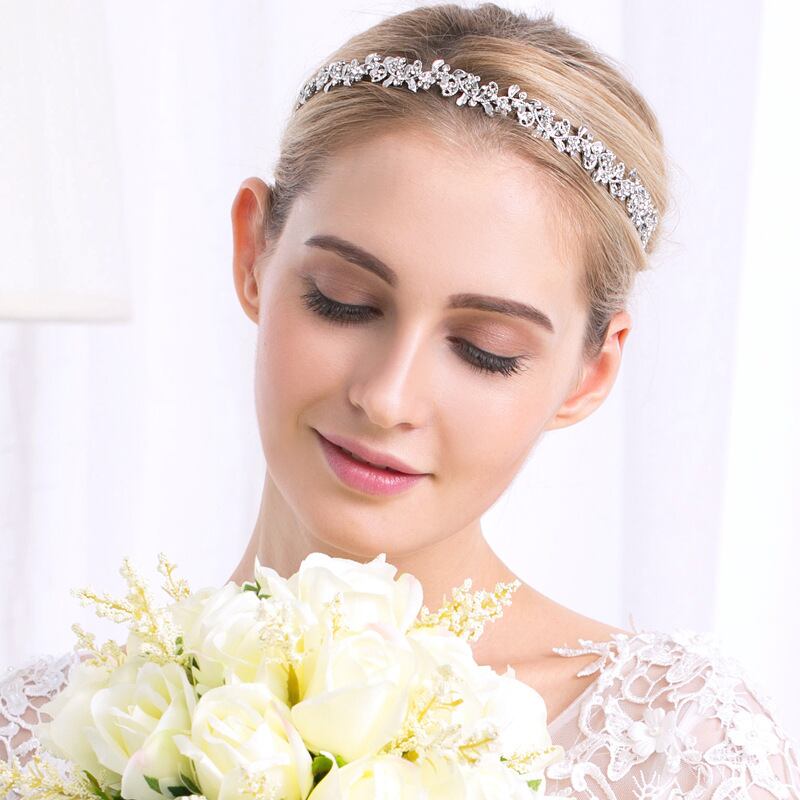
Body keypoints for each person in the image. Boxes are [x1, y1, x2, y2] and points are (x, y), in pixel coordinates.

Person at [2, 3, 798, 798]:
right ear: (253, 253)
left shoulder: (679, 751)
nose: (386, 399)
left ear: (591, 373)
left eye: (486, 349)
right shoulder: (36, 737)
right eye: (342, 300)